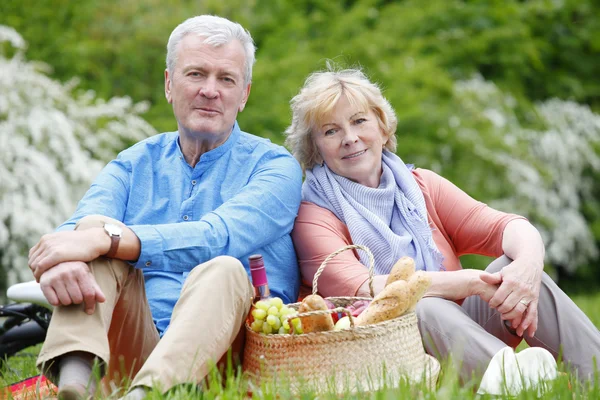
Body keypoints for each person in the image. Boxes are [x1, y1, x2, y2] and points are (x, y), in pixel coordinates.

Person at [27, 15, 302, 399]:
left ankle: (147, 396)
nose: (210, 90)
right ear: (170, 84)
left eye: (226, 79)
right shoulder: (136, 161)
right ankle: (76, 384)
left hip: (231, 360)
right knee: (93, 227)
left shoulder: (274, 168)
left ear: (244, 95)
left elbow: (215, 238)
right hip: (134, 346)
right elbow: (75, 228)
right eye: (196, 74)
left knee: (223, 266)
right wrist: (69, 257)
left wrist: (106, 239)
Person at [284, 66, 600, 385]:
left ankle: (595, 371)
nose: (350, 138)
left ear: (382, 128)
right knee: (421, 304)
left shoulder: (421, 186)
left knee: (515, 269)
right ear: (316, 149)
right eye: (331, 131)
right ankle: (516, 382)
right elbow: (373, 289)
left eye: (359, 121)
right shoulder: (312, 213)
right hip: (382, 357)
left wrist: (528, 268)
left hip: (459, 337)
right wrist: (471, 282)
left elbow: (508, 227)